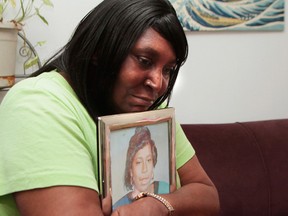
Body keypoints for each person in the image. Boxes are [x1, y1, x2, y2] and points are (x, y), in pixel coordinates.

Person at [0, 0, 220, 215]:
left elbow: (208, 195)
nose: (158, 83)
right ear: (99, 51)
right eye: (144, 60)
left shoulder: (151, 109)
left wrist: (159, 205)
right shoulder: (38, 103)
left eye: (168, 69)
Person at [113, 126, 169, 210]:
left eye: (149, 160)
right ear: (130, 170)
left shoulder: (166, 189)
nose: (144, 169)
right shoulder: (118, 207)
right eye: (139, 162)